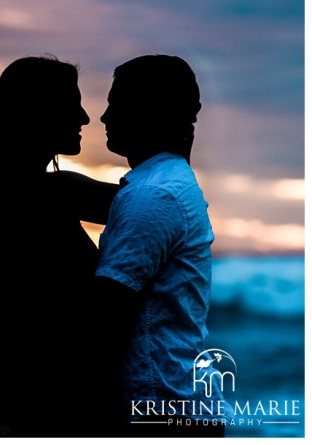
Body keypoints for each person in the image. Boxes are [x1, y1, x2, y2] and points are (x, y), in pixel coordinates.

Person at [0, 56, 118, 437]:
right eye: (73, 105)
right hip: (65, 410)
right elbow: (162, 206)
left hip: (22, 404)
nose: (85, 118)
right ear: (39, 113)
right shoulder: (57, 193)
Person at [92, 54, 232, 437]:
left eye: (116, 104)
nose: (104, 118)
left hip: (160, 411)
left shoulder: (155, 194)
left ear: (149, 111)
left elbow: (105, 317)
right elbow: (113, 199)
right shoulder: (165, 182)